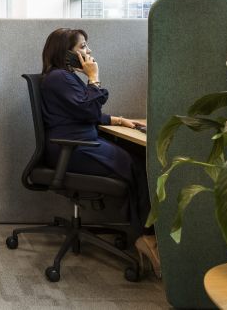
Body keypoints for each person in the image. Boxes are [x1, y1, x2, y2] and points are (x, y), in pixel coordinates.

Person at [39, 27, 160, 278]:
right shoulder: (59, 78)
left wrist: (116, 120)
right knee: (138, 167)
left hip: (78, 143)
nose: (89, 51)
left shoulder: (65, 77)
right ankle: (147, 238)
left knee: (136, 162)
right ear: (66, 53)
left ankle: (143, 233)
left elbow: (85, 112)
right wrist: (94, 78)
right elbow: (85, 109)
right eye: (82, 46)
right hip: (72, 149)